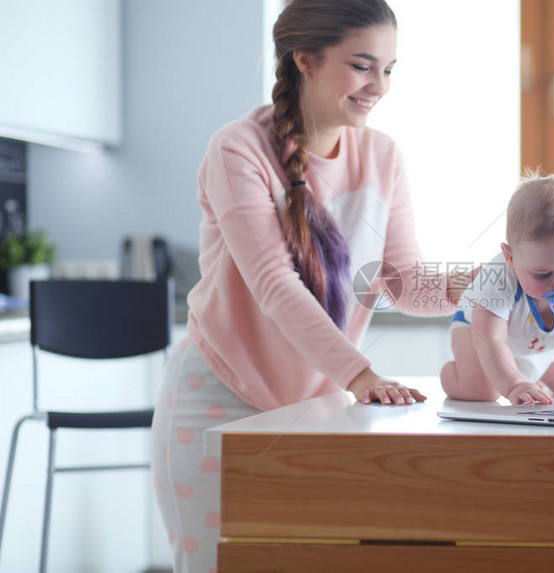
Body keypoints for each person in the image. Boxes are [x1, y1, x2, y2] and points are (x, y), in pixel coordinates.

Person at [151, 2, 471, 571]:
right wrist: (361, 374)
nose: (380, 86)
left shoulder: (384, 156)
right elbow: (276, 286)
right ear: (306, 60)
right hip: (219, 404)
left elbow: (403, 282)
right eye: (362, 65)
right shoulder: (238, 149)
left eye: (390, 69)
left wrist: (480, 286)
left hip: (316, 409)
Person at [440, 173, 554, 405]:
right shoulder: (498, 276)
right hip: (481, 337)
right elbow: (490, 339)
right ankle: (455, 374)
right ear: (510, 257)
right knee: (482, 391)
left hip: (545, 345)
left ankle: (531, 376)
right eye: (544, 274)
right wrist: (514, 385)